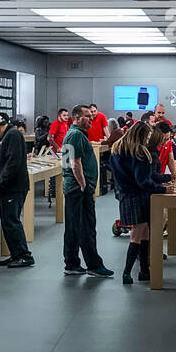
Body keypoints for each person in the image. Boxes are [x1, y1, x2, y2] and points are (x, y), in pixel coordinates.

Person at [107, 119, 174, 284]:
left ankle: (144, 271)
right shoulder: (140, 153)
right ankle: (127, 273)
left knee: (144, 233)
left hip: (124, 196)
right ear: (142, 135)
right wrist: (163, 188)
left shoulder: (117, 149)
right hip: (138, 197)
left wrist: (166, 177)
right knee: (138, 235)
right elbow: (143, 181)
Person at [60, 105, 113, 277]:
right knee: (86, 227)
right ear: (76, 118)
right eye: (87, 116)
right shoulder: (75, 135)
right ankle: (94, 265)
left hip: (73, 188)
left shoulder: (74, 134)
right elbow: (75, 163)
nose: (91, 119)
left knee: (74, 227)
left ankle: (72, 263)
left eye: (91, 116)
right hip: (78, 189)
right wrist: (84, 185)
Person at [0, 114, 34, 268]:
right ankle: (16, 254)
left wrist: (0, 181)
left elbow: (13, 162)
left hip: (12, 187)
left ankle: (23, 255)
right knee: (8, 221)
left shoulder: (12, 135)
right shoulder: (7, 135)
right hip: (9, 187)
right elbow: (5, 160)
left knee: (12, 221)